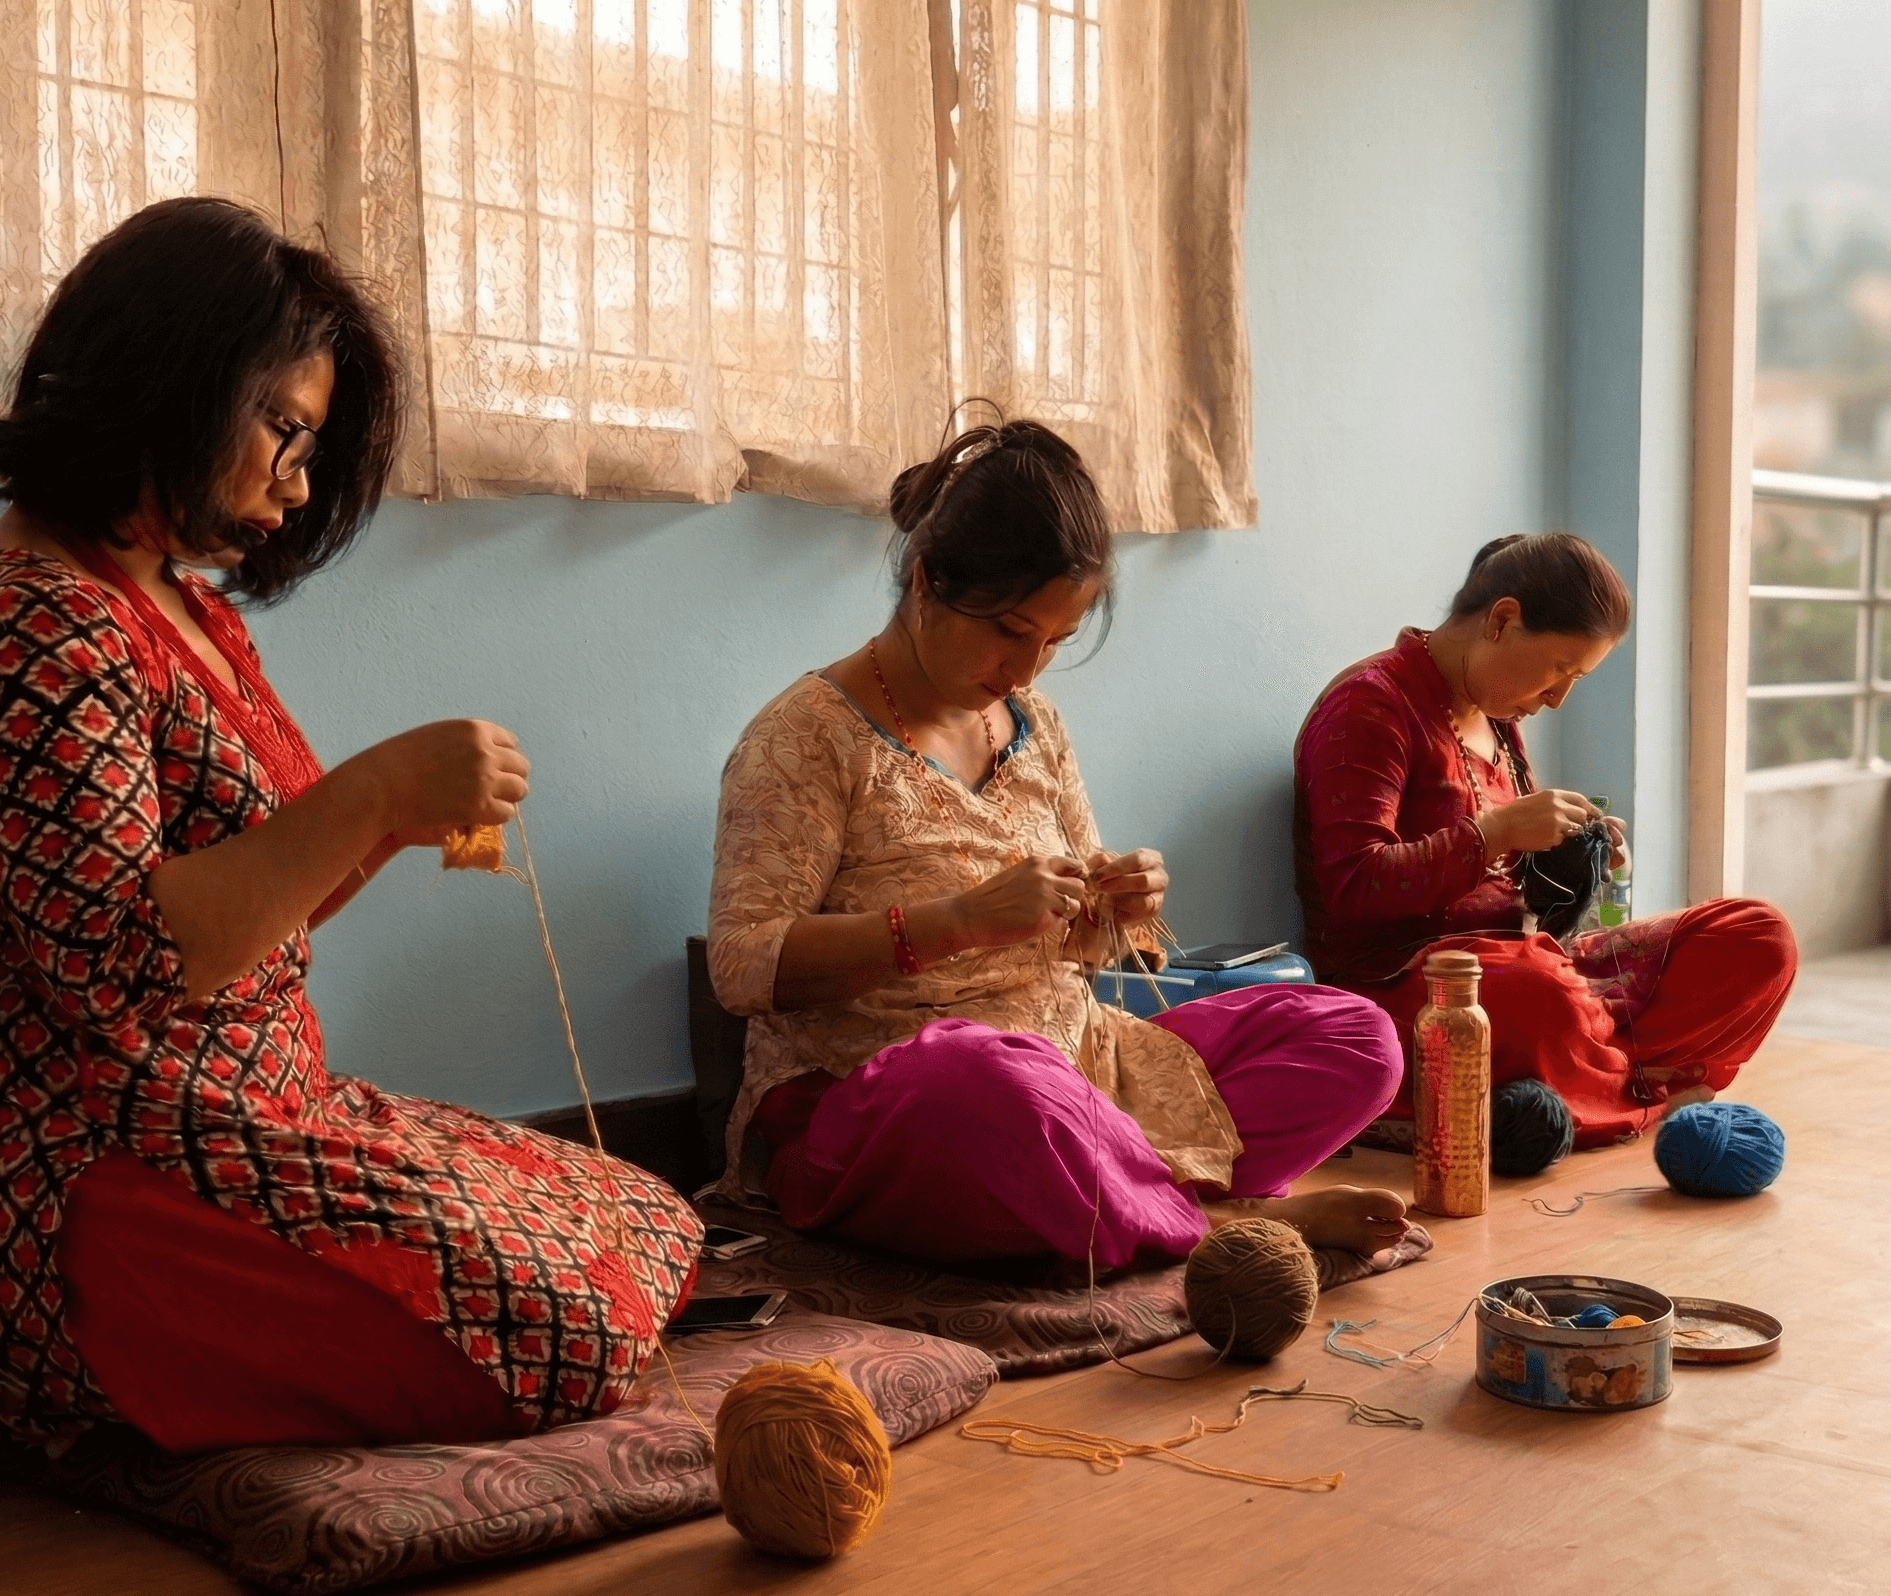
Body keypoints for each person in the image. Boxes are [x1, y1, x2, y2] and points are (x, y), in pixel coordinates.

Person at [0, 198, 700, 1455]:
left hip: (270, 1114)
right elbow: (120, 964)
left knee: (643, 1213)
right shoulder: (25, 623)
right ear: (175, 380)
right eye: (285, 427)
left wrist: (392, 822)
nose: (300, 477)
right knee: (572, 1323)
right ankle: (72, 1362)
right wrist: (372, 795)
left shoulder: (182, 608)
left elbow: (264, 896)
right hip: (110, 1169)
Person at [706, 417, 1406, 1270]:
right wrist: (957, 921)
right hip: (897, 1099)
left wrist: (1126, 903)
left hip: (1079, 1069)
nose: (1028, 669)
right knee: (990, 1085)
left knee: (1360, 1035)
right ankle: (1216, 1225)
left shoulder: (1036, 726)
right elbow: (741, 967)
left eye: (1054, 641)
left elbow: (1089, 946)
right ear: (927, 582)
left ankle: (1117, 1196)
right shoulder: (804, 738)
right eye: (1008, 630)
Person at [1294, 533, 1798, 1150]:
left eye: (1575, 679)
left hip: (1526, 961)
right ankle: (1630, 1085)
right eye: (1560, 670)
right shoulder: (1371, 705)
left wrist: (1569, 852)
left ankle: (1573, 1085)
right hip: (1411, 986)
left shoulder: (1498, 717)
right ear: (1502, 621)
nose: (1559, 699)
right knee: (1540, 993)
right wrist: (1499, 832)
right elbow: (1353, 884)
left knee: (1758, 934)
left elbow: (1513, 888)